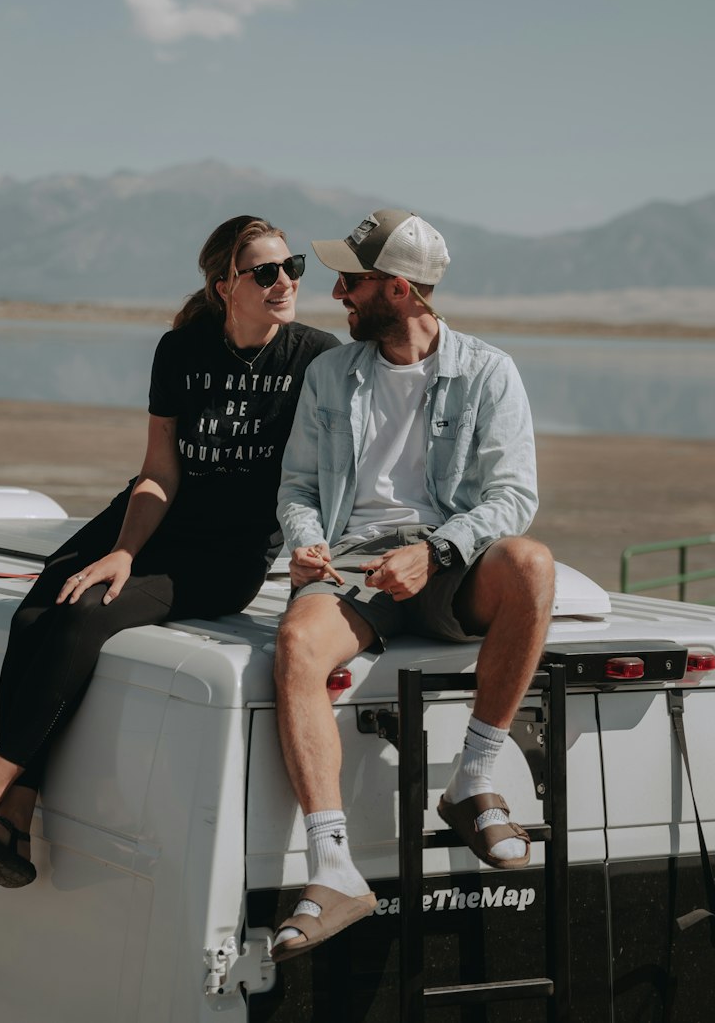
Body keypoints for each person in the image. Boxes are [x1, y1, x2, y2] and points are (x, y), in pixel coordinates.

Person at [0, 214, 340, 887]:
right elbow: (159, 471)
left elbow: (333, 470)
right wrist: (125, 550)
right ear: (225, 286)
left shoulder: (316, 357)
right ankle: (14, 821)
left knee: (85, 614)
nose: (286, 282)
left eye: (292, 267)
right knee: (34, 613)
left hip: (227, 552)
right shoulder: (181, 351)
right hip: (152, 517)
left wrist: (315, 550)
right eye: (266, 271)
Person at [270, 209, 555, 961]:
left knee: (531, 563)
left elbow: (512, 497)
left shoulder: (489, 371)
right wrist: (307, 545)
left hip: (450, 566)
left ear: (398, 289)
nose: (336, 293)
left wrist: (436, 548)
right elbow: (298, 485)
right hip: (355, 563)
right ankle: (332, 866)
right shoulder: (330, 373)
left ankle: (472, 781)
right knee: (298, 643)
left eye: (352, 281)